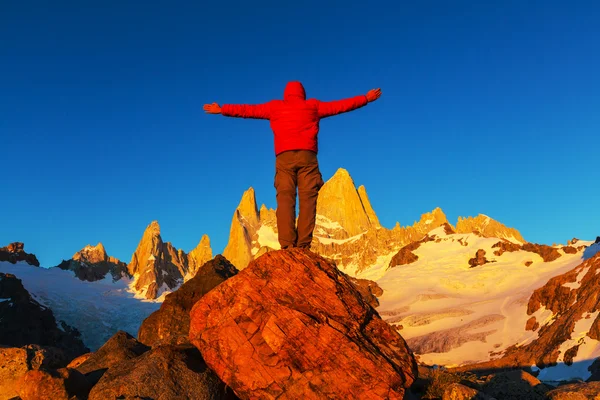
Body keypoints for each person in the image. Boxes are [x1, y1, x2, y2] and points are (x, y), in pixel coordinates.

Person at [204, 81, 381, 250]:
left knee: (285, 199)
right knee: (308, 200)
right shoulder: (313, 106)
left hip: (284, 158)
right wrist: (365, 98)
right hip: (308, 158)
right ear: (302, 94)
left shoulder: (275, 107)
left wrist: (222, 109)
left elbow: (249, 110)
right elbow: (341, 106)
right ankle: (303, 245)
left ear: (286, 94)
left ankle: (287, 244)